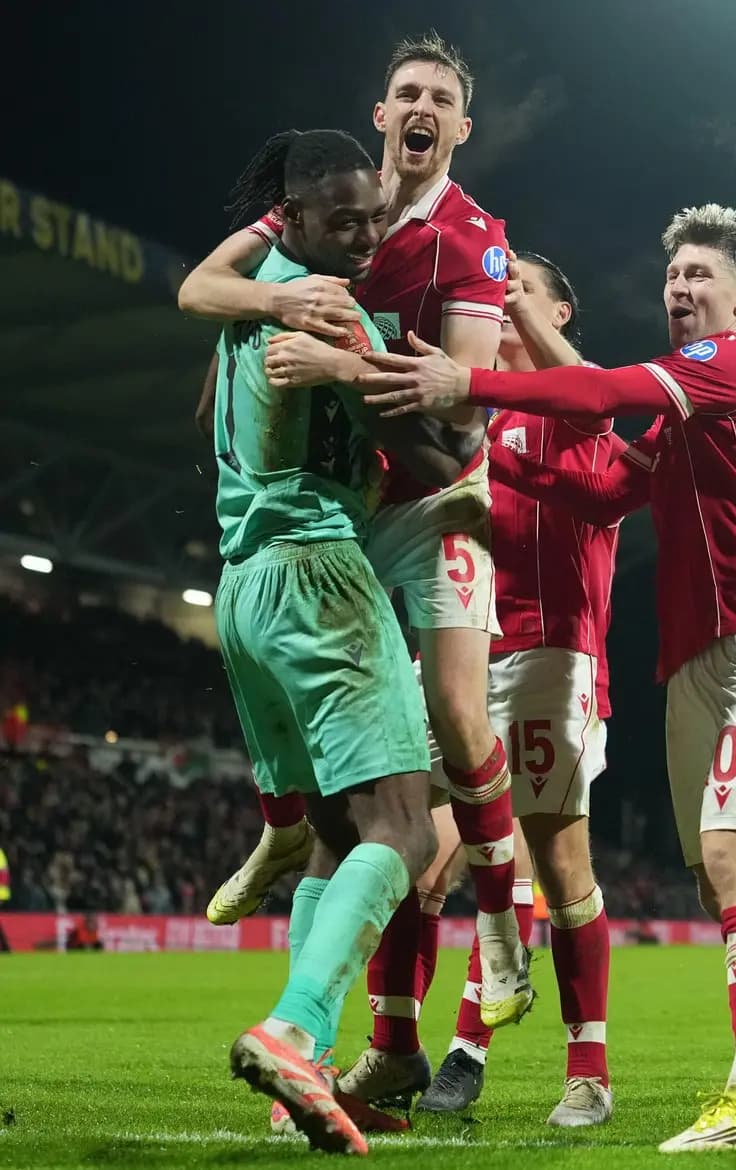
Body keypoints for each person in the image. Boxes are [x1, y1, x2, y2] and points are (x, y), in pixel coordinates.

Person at [356, 203, 736, 1152]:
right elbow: (608, 488)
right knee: (717, 877)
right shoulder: (693, 402)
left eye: (701, 276)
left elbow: (601, 396)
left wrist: (467, 378)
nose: (681, 289)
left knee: (733, 860)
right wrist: (502, 457)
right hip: (696, 654)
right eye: (673, 275)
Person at [178, 32, 532, 1101]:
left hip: (363, 527)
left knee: (439, 738)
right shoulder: (326, 215)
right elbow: (203, 289)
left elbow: (461, 410)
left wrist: (327, 347)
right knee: (388, 819)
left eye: (442, 97)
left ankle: (493, 933)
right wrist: (313, 324)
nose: (420, 107)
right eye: (405, 92)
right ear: (381, 114)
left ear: (461, 127)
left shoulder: (467, 242)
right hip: (332, 536)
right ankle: (321, 1027)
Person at [207, 128, 442, 1156]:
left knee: (340, 836)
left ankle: (290, 1081)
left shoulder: (247, 297)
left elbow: (210, 395)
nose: (365, 232)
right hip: (318, 573)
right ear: (294, 218)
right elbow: (430, 445)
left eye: (373, 215)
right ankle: (295, 1031)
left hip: (241, 585)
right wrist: (438, 420)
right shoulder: (332, 304)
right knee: (407, 827)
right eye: (342, 217)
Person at [416, 252, 651, 1126]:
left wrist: (526, 317)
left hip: (553, 656)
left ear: (560, 307)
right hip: (464, 658)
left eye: (522, 285)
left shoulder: (567, 403)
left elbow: (602, 394)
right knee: (428, 860)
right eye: (494, 283)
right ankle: (446, 1054)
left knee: (560, 868)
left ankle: (587, 1071)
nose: (502, 294)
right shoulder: (467, 416)